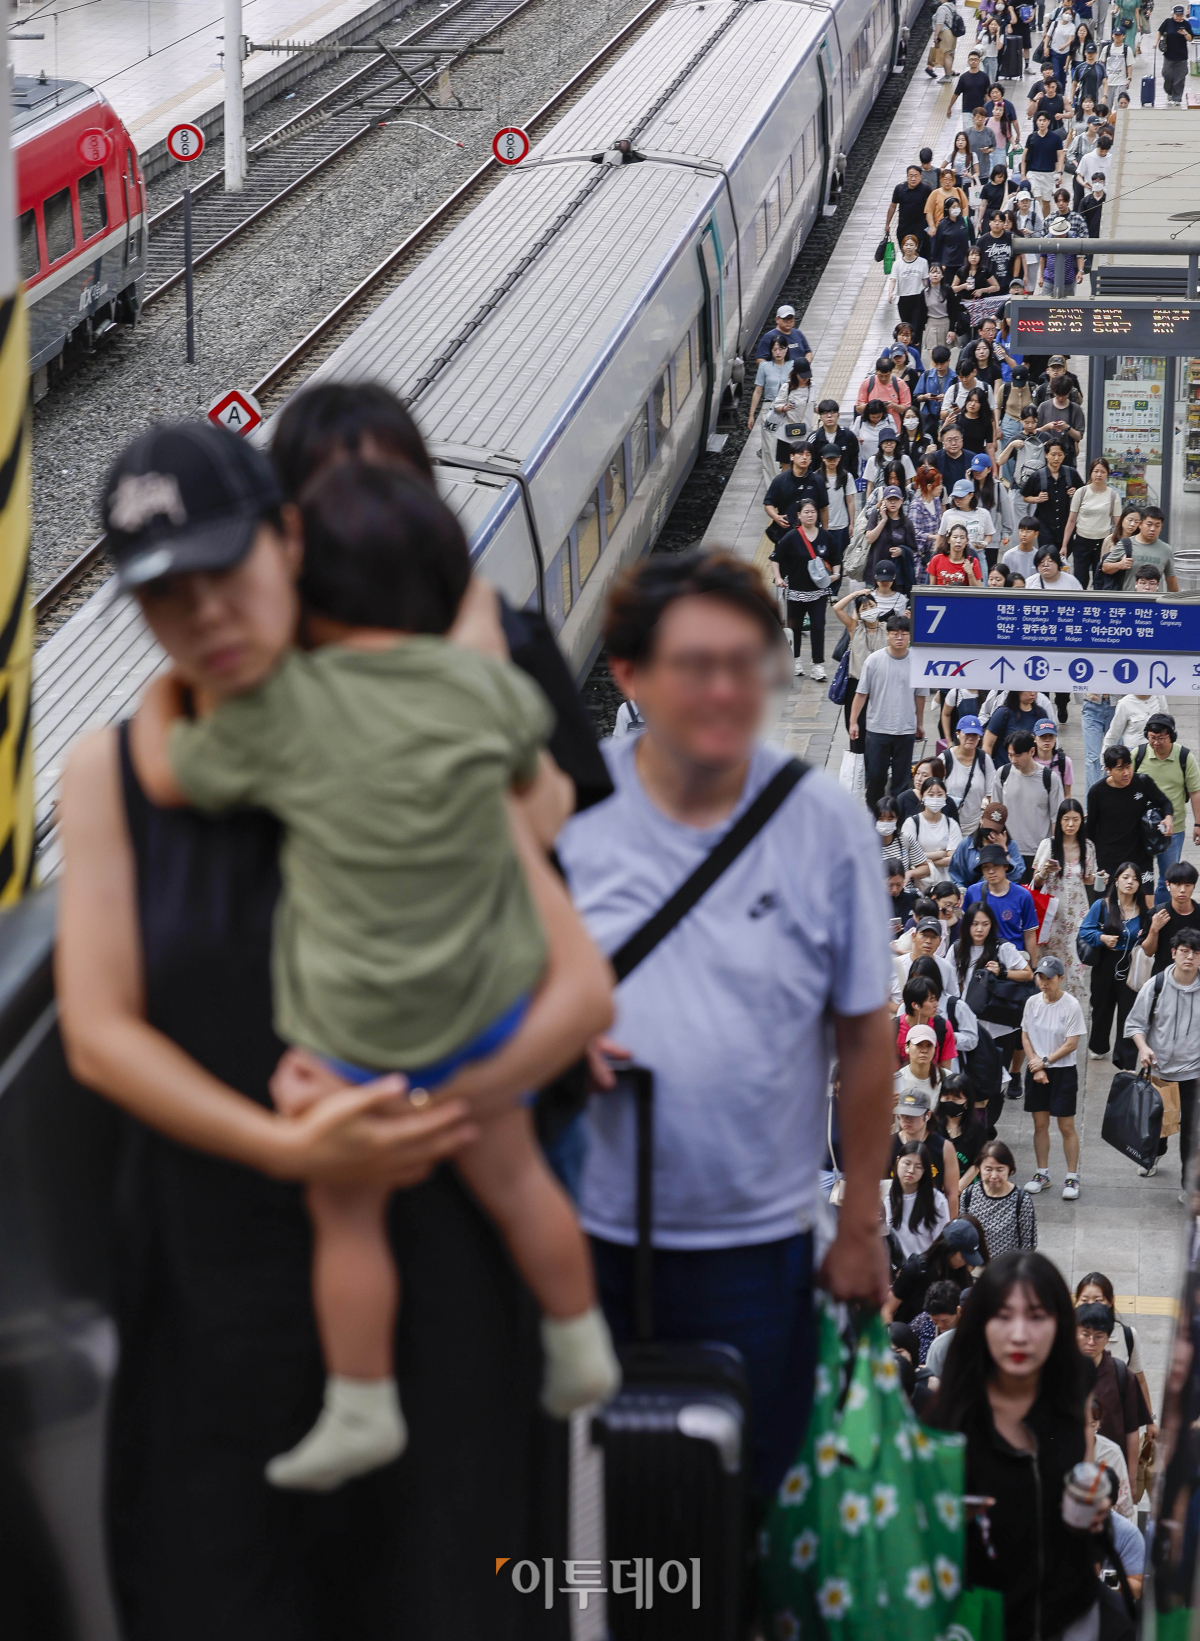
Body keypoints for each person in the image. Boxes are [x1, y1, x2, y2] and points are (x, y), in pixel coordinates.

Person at [55, 412, 604, 1629]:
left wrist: (435, 1103)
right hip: (212, 1307)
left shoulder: (409, 729)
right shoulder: (113, 774)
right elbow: (98, 1032)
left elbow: (576, 987)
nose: (204, 618)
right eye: (163, 599)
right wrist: (293, 1149)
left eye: (224, 573)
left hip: (437, 1289)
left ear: (288, 541)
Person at [559, 550, 897, 1499]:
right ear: (628, 676)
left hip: (758, 1244)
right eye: (695, 665)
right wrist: (553, 1033)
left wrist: (860, 1217)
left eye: (750, 662)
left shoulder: (824, 824)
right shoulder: (565, 808)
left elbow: (866, 1034)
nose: (726, 689)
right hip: (586, 1236)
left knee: (740, 1496)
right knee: (589, 1496)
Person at [933, 1251, 1106, 1641]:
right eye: (1003, 1316)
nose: (1019, 1335)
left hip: (1070, 1613)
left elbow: (1082, 1466)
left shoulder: (1075, 1383)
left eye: (1037, 1316)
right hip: (985, 1622)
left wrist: (1092, 1501)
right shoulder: (948, 1421)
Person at [1126, 927, 1200, 1196]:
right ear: (1173, 953)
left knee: (1192, 1135)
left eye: (1195, 952)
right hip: (1160, 1070)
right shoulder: (1155, 985)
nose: (1189, 957)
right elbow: (1135, 1023)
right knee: (1158, 1124)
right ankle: (1156, 1152)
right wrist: (1143, 1047)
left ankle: (1190, 1186)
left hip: (1194, 1073)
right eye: (1184, 951)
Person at [1020, 954, 1085, 1200]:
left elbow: (1071, 1044)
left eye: (1049, 978)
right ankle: (1042, 1173)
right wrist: (1036, 1067)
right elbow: (1025, 1035)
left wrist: (1045, 1062)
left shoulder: (1071, 1005)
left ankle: (1072, 1177)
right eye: (1040, 978)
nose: (1044, 982)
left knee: (1066, 1126)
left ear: (1060, 978)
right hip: (1037, 1069)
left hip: (1062, 1070)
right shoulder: (1032, 1003)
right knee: (1040, 1124)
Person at [1078, 859, 1152, 1067]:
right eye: (1126, 877)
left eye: (1135, 879)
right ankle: (1098, 1045)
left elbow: (1149, 939)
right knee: (1101, 1007)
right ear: (1117, 880)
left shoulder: (1144, 910)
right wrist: (1101, 938)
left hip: (1132, 963)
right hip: (1106, 962)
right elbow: (1085, 931)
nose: (1130, 882)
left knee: (1129, 1010)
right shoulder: (1101, 905)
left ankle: (1125, 1056)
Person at [849, 615, 927, 810]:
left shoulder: (917, 661)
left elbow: (920, 695)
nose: (899, 638)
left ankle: (896, 818)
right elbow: (861, 693)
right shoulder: (874, 660)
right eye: (895, 634)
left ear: (910, 636)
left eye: (904, 634)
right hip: (877, 729)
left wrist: (919, 723)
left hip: (905, 729)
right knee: (875, 776)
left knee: (901, 779)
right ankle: (873, 813)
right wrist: (853, 722)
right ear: (888, 635)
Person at [1074, 1271, 1157, 1442]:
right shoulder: (1066, 1337)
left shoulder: (1127, 1336)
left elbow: (1139, 1379)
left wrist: (1150, 1420)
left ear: (1110, 1301)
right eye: (1084, 1300)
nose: (1091, 1305)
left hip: (1113, 1427)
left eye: (1098, 1300)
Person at [1031, 800, 1095, 1001]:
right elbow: (1035, 881)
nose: (1070, 824)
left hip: (1078, 913)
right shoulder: (1048, 845)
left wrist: (1100, 877)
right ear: (1058, 821)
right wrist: (1044, 872)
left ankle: (1072, 1006)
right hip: (1052, 914)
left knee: (1076, 961)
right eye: (1066, 819)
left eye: (1075, 819)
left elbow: (1088, 878)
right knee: (1051, 961)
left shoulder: (1087, 846)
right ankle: (1049, 1002)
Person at [770, 497, 840, 682]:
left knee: (818, 626)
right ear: (799, 515)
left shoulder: (825, 537)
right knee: (795, 627)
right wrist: (777, 577)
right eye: (806, 512)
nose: (810, 515)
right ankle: (795, 659)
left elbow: (836, 559)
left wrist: (836, 574)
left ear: (817, 514)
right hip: (795, 591)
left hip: (818, 592)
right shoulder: (791, 537)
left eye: (813, 511)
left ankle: (818, 665)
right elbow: (775, 558)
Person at [1132, 713, 1200, 902]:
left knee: (1168, 879)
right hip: (1140, 829)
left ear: (1172, 736)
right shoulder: (1138, 754)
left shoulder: (1185, 757)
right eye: (1152, 738)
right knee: (1137, 876)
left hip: (1173, 830)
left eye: (1161, 738)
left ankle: (1162, 918)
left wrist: (1198, 824)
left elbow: (1195, 792)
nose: (1156, 743)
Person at [1076, 1303, 1142, 1483]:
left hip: (1110, 1469)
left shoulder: (1121, 1374)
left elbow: (1132, 1429)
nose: (1091, 1342)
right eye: (1085, 1335)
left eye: (1098, 1336)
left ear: (1108, 1338)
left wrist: (1131, 1477)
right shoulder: (1060, 1372)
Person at [1087, 744, 1172, 881]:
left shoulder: (1143, 782)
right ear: (1108, 770)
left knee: (1146, 901)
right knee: (1110, 902)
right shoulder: (1097, 793)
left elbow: (1165, 802)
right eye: (1120, 769)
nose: (1126, 773)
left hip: (1141, 857)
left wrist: (1168, 817)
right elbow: (1091, 827)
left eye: (1128, 766)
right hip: (1109, 860)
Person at [989, 730, 1064, 873]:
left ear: (1031, 751)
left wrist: (1054, 852)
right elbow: (995, 813)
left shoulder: (1049, 778)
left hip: (1040, 853)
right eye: (1010, 755)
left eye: (1018, 756)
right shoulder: (1002, 774)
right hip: (1010, 851)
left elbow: (1056, 818)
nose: (1013, 760)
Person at [888, 1218, 985, 1327]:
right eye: (963, 1256)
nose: (965, 1261)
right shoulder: (914, 1270)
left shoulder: (964, 1278)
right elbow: (887, 1310)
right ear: (948, 1249)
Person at [832, 587, 887, 754]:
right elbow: (837, 608)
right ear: (858, 612)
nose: (869, 611)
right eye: (864, 608)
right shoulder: (855, 628)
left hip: (880, 685)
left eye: (871, 606)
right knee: (856, 726)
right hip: (855, 686)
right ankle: (857, 759)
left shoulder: (887, 629)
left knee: (878, 725)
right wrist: (855, 594)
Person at [960, 1138, 1038, 1253]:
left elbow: (1028, 1244)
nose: (994, 1175)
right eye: (988, 1169)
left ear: (1009, 1170)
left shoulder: (1021, 1200)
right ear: (979, 1169)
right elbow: (963, 1233)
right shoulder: (969, 1195)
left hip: (1008, 1268)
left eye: (1000, 1169)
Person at [891, 1085, 961, 1214]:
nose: (907, 1120)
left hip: (930, 1216)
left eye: (913, 1115)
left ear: (927, 1115)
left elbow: (952, 1193)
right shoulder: (888, 1145)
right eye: (903, 1114)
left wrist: (949, 1228)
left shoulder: (945, 1147)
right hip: (894, 1214)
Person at [963, 844, 1041, 958]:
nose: (991, 871)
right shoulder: (972, 892)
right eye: (986, 867)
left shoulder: (1023, 896)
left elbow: (1029, 934)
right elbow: (965, 927)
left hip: (1014, 958)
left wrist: (1033, 968)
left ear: (1005, 866)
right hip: (982, 957)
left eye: (996, 865)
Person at [1059, 456, 1121, 588]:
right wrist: (1064, 545)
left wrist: (1120, 546)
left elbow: (1118, 524)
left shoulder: (1113, 495)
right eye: (1096, 471)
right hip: (1082, 542)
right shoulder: (1081, 492)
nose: (1099, 474)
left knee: (1100, 579)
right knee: (1080, 579)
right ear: (1091, 473)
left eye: (1102, 472)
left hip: (1103, 543)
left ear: (1107, 474)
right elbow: (1071, 520)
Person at [888, 1140, 951, 1259]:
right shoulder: (884, 1192)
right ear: (897, 1161)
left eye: (918, 1167)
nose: (911, 1170)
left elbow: (941, 1244)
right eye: (907, 1163)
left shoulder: (937, 1200)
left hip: (921, 1269)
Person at [747, 334, 795, 487]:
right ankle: (774, 487)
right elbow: (758, 391)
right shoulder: (764, 367)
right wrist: (751, 415)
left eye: (781, 348)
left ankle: (789, 481)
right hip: (770, 410)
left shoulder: (794, 365)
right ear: (771, 351)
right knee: (769, 448)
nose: (778, 352)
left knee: (789, 446)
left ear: (786, 349)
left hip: (789, 410)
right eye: (775, 349)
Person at [762, 442, 828, 544]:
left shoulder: (817, 480)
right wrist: (776, 517)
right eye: (800, 454)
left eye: (808, 454)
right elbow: (768, 504)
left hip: (812, 535)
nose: (804, 457)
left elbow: (823, 508)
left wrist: (824, 532)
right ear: (792, 457)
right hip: (786, 535)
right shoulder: (780, 480)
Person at [1084, 1395, 1137, 1523]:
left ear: (1099, 1423)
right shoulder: (1065, 1448)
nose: (1089, 1431)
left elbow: (1123, 1501)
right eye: (1085, 1425)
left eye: (1093, 1424)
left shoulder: (1112, 1452)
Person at [949, 804, 1027, 887]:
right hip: (972, 894)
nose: (991, 832)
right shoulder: (966, 844)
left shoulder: (1011, 846)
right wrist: (963, 893)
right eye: (988, 827)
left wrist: (1003, 849)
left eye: (995, 830)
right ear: (981, 819)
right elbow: (956, 875)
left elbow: (1017, 876)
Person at [1143, 861, 1200, 975]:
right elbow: (1148, 952)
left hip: (1195, 979)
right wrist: (1154, 929)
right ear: (1168, 884)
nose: (1182, 890)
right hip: (1163, 977)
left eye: (1187, 885)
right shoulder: (1158, 913)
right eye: (1177, 884)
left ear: (1194, 886)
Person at [1022, 440, 1082, 547]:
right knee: (1047, 557)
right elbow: (1025, 496)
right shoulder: (1037, 476)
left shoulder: (1071, 473)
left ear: (1064, 455)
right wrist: (1037, 499)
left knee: (1064, 560)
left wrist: (1076, 493)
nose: (1056, 458)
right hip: (1045, 528)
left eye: (1060, 455)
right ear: (1046, 455)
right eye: (1053, 454)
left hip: (1067, 526)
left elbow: (1084, 493)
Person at [944, 715, 997, 836]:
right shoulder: (945, 759)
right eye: (967, 733)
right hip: (947, 826)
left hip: (974, 827)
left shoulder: (985, 759)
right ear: (958, 733)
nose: (971, 738)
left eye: (975, 735)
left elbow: (991, 795)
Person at [902, 776, 964, 872]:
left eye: (940, 794)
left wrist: (925, 861)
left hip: (946, 881)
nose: (935, 798)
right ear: (922, 797)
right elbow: (909, 856)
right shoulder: (911, 823)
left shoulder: (951, 824)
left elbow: (954, 858)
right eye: (930, 795)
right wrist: (941, 854)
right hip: (920, 881)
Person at [1117, 507, 1178, 592]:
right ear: (1140, 524)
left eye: (1157, 525)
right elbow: (1105, 567)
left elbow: (1171, 579)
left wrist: (1176, 602)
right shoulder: (1125, 544)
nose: (1152, 529)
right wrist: (1119, 565)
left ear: (1161, 527)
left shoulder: (1166, 549)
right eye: (1149, 525)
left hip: (1154, 601)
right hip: (1129, 599)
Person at [878, 795, 932, 888]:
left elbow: (925, 867)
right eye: (881, 819)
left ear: (897, 819)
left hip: (905, 894)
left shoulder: (905, 839)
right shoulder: (867, 845)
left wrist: (910, 873)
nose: (885, 822)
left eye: (890, 819)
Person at [984, 690, 1045, 769]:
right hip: (1003, 773)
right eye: (1028, 689)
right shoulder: (1002, 713)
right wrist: (987, 771)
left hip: (1031, 773)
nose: (1033, 693)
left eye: (1035, 689)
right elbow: (988, 744)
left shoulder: (1041, 714)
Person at [818, 441, 857, 558]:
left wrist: (851, 524)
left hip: (841, 526)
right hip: (823, 527)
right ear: (823, 459)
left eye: (834, 458)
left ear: (840, 458)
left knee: (840, 560)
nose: (832, 461)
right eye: (828, 458)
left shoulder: (846, 477)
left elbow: (850, 501)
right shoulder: (817, 477)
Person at [1103, 693, 1170, 760]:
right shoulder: (1124, 703)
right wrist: (1105, 761)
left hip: (1157, 751)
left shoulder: (1159, 697)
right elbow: (1114, 733)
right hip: (1134, 753)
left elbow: (1168, 725)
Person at [855, 353, 912, 431]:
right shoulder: (867, 383)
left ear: (891, 371)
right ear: (876, 370)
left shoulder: (900, 384)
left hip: (893, 428)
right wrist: (873, 405)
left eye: (887, 375)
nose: (883, 378)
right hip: (870, 429)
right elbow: (858, 408)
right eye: (880, 375)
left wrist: (893, 406)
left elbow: (906, 408)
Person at [1022, 109, 1065, 211]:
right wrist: (1023, 175)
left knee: (1046, 202)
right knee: (1036, 200)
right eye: (1040, 120)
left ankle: (1045, 223)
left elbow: (1060, 156)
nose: (1042, 123)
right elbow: (1024, 157)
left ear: (1049, 122)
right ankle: (1036, 224)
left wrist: (1059, 172)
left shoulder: (1055, 138)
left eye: (1044, 120)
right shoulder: (1031, 137)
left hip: (1048, 174)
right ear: (1036, 122)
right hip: (1033, 173)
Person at [805, 398, 860, 476]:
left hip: (844, 480)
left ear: (838, 414)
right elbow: (809, 462)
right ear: (820, 416)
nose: (829, 416)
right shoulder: (814, 438)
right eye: (825, 413)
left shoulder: (849, 435)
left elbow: (855, 459)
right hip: (820, 481)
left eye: (833, 412)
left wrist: (852, 477)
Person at [1158, 2, 1196, 105]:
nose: (1178, 17)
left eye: (1180, 15)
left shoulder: (1186, 24)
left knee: (1180, 78)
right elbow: (1160, 31)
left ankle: (1177, 98)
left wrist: (1185, 33)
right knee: (1167, 75)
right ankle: (1169, 92)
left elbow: (1190, 38)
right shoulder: (1168, 22)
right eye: (1177, 15)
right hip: (1169, 55)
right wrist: (1155, 42)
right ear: (1173, 14)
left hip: (1181, 56)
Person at [950, 50, 996, 126]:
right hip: (967, 111)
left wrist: (989, 109)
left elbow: (987, 94)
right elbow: (956, 93)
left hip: (980, 110)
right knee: (968, 134)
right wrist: (949, 107)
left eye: (975, 59)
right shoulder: (963, 77)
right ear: (968, 61)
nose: (973, 61)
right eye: (971, 59)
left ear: (979, 61)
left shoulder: (984, 77)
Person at [927, 0, 959, 79]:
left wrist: (936, 35)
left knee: (947, 55)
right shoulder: (952, 6)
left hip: (944, 33)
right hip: (952, 32)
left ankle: (948, 75)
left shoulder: (942, 8)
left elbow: (939, 23)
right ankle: (930, 67)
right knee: (940, 49)